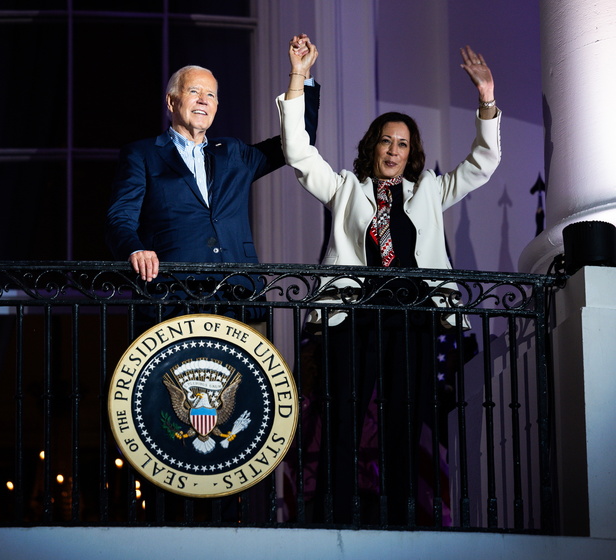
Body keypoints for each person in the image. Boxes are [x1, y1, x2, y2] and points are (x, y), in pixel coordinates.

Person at [277, 38, 500, 525]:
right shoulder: (344, 188)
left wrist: (486, 99)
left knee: (403, 421)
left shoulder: (430, 192)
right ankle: (334, 514)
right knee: (342, 417)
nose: (394, 151)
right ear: (372, 146)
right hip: (352, 316)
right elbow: (296, 152)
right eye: (386, 141)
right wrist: (298, 77)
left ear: (411, 152)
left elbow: (483, 164)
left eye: (402, 144)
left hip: (413, 317)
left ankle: (402, 515)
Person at [105, 38, 320, 330]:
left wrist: (300, 75)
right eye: (194, 91)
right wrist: (135, 250)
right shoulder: (142, 154)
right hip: (171, 300)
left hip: (240, 298)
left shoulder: (233, 152)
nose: (203, 99)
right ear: (171, 101)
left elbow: (297, 141)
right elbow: (120, 218)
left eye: (211, 95)